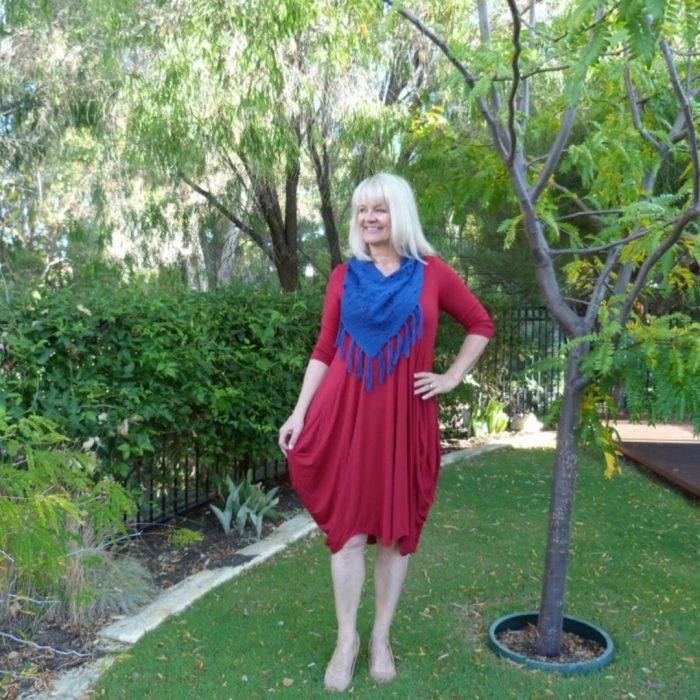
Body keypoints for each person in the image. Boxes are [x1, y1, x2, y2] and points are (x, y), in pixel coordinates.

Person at [278, 173, 494, 692]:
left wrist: (451, 377)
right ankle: (346, 639)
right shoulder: (342, 276)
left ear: (400, 214)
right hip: (347, 419)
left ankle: (381, 638)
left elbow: (480, 324)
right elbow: (325, 350)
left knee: (396, 536)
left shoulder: (433, 273)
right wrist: (299, 412)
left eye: (380, 209)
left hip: (406, 419)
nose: (370, 219)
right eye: (362, 210)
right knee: (349, 533)